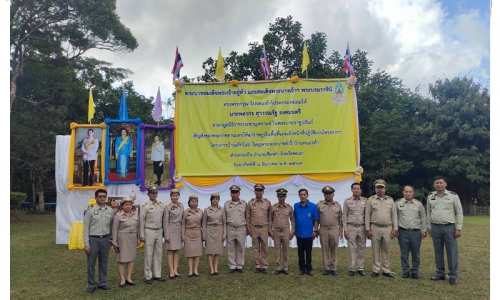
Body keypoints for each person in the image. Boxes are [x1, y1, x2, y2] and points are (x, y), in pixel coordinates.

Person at [427, 176, 463, 285]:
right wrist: (429, 227)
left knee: (452, 252)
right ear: (434, 185)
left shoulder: (453, 196)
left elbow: (459, 212)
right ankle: (440, 273)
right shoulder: (430, 196)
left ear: (445, 184)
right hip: (435, 227)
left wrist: (459, 228)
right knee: (438, 251)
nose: (439, 185)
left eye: (441, 183)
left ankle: (453, 275)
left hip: (449, 228)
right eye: (436, 183)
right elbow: (428, 212)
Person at [365, 179, 398, 278]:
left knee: (386, 249)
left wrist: (395, 229)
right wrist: (367, 229)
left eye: (381, 188)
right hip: (375, 227)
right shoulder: (370, 200)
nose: (380, 190)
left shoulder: (391, 201)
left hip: (387, 228)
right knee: (375, 250)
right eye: (378, 188)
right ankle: (376, 269)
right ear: (375, 189)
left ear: (385, 189)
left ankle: (386, 269)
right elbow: (367, 215)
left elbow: (394, 215)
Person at [83, 189, 113, 293]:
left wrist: (111, 240)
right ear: (95, 197)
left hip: (105, 239)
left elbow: (111, 226)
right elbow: (85, 228)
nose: (102, 198)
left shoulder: (110, 210)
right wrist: (86, 244)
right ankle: (91, 284)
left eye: (104, 196)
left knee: (104, 262)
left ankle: (102, 282)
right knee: (91, 263)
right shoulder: (90, 211)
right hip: (93, 239)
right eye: (100, 196)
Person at [396, 185, 426, 279]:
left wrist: (424, 230)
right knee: (404, 253)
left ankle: (415, 271)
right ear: (403, 192)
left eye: (410, 192)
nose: (408, 193)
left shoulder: (419, 204)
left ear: (413, 193)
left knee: (415, 253)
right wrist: (395, 229)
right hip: (403, 232)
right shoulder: (397, 203)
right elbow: (394, 217)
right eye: (406, 191)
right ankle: (405, 271)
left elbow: (423, 217)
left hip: (416, 232)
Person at [111, 196, 140, 287]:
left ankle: (129, 278)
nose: (128, 206)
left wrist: (138, 239)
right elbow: (114, 229)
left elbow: (138, 228)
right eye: (126, 205)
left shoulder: (135, 215)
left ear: (132, 206)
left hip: (132, 238)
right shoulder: (118, 216)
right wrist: (114, 241)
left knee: (131, 259)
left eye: (130, 204)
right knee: (121, 259)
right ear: (122, 206)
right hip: (122, 238)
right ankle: (122, 279)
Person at [140, 186, 165, 284]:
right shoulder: (145, 206)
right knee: (148, 254)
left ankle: (157, 274)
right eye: (152, 193)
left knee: (159, 253)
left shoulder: (161, 205)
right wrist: (142, 234)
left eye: (155, 193)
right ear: (148, 194)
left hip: (159, 231)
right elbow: (141, 221)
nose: (154, 195)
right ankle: (148, 276)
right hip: (149, 231)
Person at [317, 186, 343, 276]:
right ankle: (326, 268)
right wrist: (316, 230)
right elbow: (316, 219)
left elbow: (341, 219)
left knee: (334, 248)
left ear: (333, 194)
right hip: (323, 229)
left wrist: (341, 230)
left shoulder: (337, 205)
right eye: (326, 194)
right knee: (325, 249)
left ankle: (334, 268)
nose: (328, 195)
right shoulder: (319, 205)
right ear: (324, 195)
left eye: (330, 194)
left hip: (334, 229)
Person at [343, 182, 367, 276]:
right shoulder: (347, 201)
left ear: (361, 190)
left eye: (358, 188)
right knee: (351, 248)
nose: (356, 190)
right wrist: (345, 229)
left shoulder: (365, 201)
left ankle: (360, 268)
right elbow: (344, 215)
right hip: (351, 227)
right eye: (354, 188)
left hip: (362, 227)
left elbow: (367, 215)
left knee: (361, 248)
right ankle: (352, 268)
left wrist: (367, 228)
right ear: (351, 190)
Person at [246, 183, 272, 274]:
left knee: (264, 247)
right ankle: (257, 265)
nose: (258, 192)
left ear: (263, 192)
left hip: (264, 227)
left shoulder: (267, 202)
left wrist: (269, 229)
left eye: (260, 190)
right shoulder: (250, 203)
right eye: (257, 190)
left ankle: (264, 265)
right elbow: (248, 217)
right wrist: (249, 228)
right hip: (254, 228)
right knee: (256, 247)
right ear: (254, 191)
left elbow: (270, 217)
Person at [269, 188, 295, 275]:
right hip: (276, 231)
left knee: (286, 249)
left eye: (283, 196)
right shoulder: (273, 207)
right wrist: (270, 230)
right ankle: (279, 267)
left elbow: (293, 220)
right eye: (280, 196)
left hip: (285, 231)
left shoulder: (289, 207)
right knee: (277, 250)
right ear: (277, 197)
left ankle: (285, 266)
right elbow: (270, 220)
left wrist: (292, 231)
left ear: (286, 196)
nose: (281, 198)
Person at [294, 188, 319, 276]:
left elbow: (315, 219)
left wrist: (315, 230)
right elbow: (294, 219)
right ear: (299, 196)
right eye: (301, 195)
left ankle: (308, 269)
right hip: (299, 233)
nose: (303, 196)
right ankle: (301, 269)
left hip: (309, 233)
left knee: (308, 252)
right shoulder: (296, 206)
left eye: (304, 194)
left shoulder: (313, 206)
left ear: (307, 195)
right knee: (300, 252)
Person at [224, 185, 248, 273]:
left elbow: (247, 217)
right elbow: (224, 218)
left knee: (240, 247)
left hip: (241, 228)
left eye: (236, 192)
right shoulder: (226, 204)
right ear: (230, 194)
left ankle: (239, 264)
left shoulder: (244, 204)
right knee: (230, 247)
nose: (234, 194)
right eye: (233, 193)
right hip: (230, 228)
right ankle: (232, 265)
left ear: (239, 193)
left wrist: (248, 229)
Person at [203, 193, 226, 276]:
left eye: (217, 199)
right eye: (213, 199)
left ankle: (216, 267)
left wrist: (224, 233)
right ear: (211, 200)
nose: (215, 200)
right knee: (209, 250)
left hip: (219, 230)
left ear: (219, 200)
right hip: (210, 230)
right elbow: (204, 223)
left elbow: (224, 222)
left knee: (217, 250)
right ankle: (211, 268)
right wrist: (204, 235)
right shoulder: (207, 210)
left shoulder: (222, 210)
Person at [163, 188, 184, 280]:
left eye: (176, 195)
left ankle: (176, 270)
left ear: (178, 196)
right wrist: (166, 234)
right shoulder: (167, 206)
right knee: (170, 251)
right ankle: (171, 270)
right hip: (171, 229)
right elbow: (165, 221)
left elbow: (183, 220)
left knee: (176, 251)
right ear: (171, 197)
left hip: (178, 229)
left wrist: (182, 233)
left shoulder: (181, 206)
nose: (175, 197)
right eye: (173, 195)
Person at [182, 195, 204, 277]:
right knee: (189, 253)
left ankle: (196, 270)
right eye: (192, 201)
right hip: (189, 233)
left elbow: (203, 224)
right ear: (189, 202)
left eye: (195, 201)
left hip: (197, 233)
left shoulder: (201, 212)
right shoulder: (186, 212)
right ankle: (190, 270)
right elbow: (183, 224)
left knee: (197, 253)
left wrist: (204, 235)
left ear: (197, 203)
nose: (194, 203)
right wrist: (183, 235)